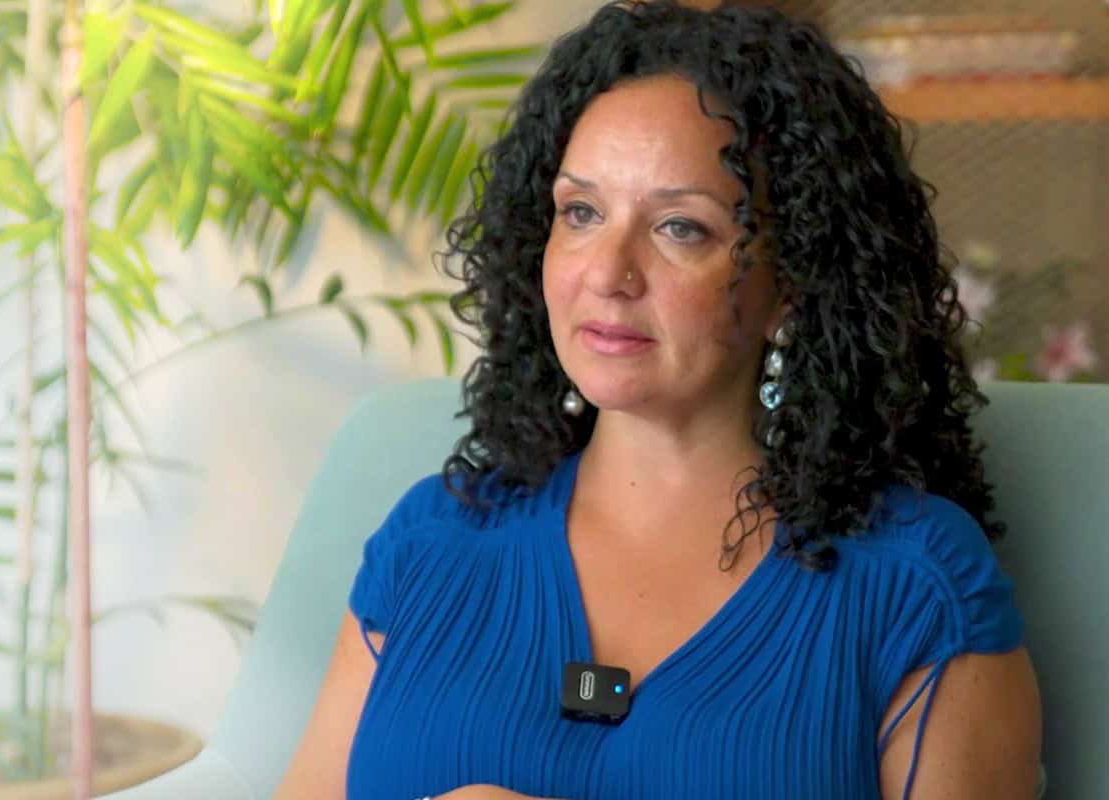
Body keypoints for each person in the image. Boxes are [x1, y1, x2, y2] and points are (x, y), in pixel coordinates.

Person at [274, 2, 1043, 798]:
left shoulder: (916, 585)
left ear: (795, 279)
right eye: (581, 213)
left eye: (681, 227)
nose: (608, 273)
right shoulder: (429, 542)